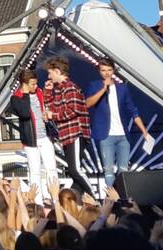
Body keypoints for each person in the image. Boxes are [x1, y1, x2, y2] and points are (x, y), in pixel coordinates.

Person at [83, 58, 151, 187]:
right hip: (106, 134)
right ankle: (112, 200)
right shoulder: (95, 85)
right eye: (103, 70)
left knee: (123, 170)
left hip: (123, 135)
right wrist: (104, 89)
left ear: (113, 70)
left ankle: (123, 198)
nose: (107, 73)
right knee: (108, 170)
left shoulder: (122, 88)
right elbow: (88, 103)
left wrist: (144, 131)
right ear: (99, 71)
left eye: (109, 70)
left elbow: (133, 110)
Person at [42, 57, 94, 198]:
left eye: (50, 73)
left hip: (75, 132)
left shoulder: (70, 87)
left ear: (58, 71)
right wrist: (48, 92)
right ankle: (77, 201)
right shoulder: (59, 90)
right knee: (72, 170)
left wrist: (53, 115)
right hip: (67, 135)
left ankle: (95, 198)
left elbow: (73, 110)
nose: (49, 76)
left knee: (76, 169)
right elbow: (52, 107)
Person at [9, 69, 58, 203]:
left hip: (45, 136)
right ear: (24, 84)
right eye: (32, 84)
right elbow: (24, 113)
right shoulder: (16, 98)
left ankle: (55, 198)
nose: (35, 87)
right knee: (35, 171)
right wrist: (25, 94)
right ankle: (38, 202)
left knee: (51, 168)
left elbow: (47, 105)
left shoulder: (39, 92)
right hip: (31, 139)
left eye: (36, 84)